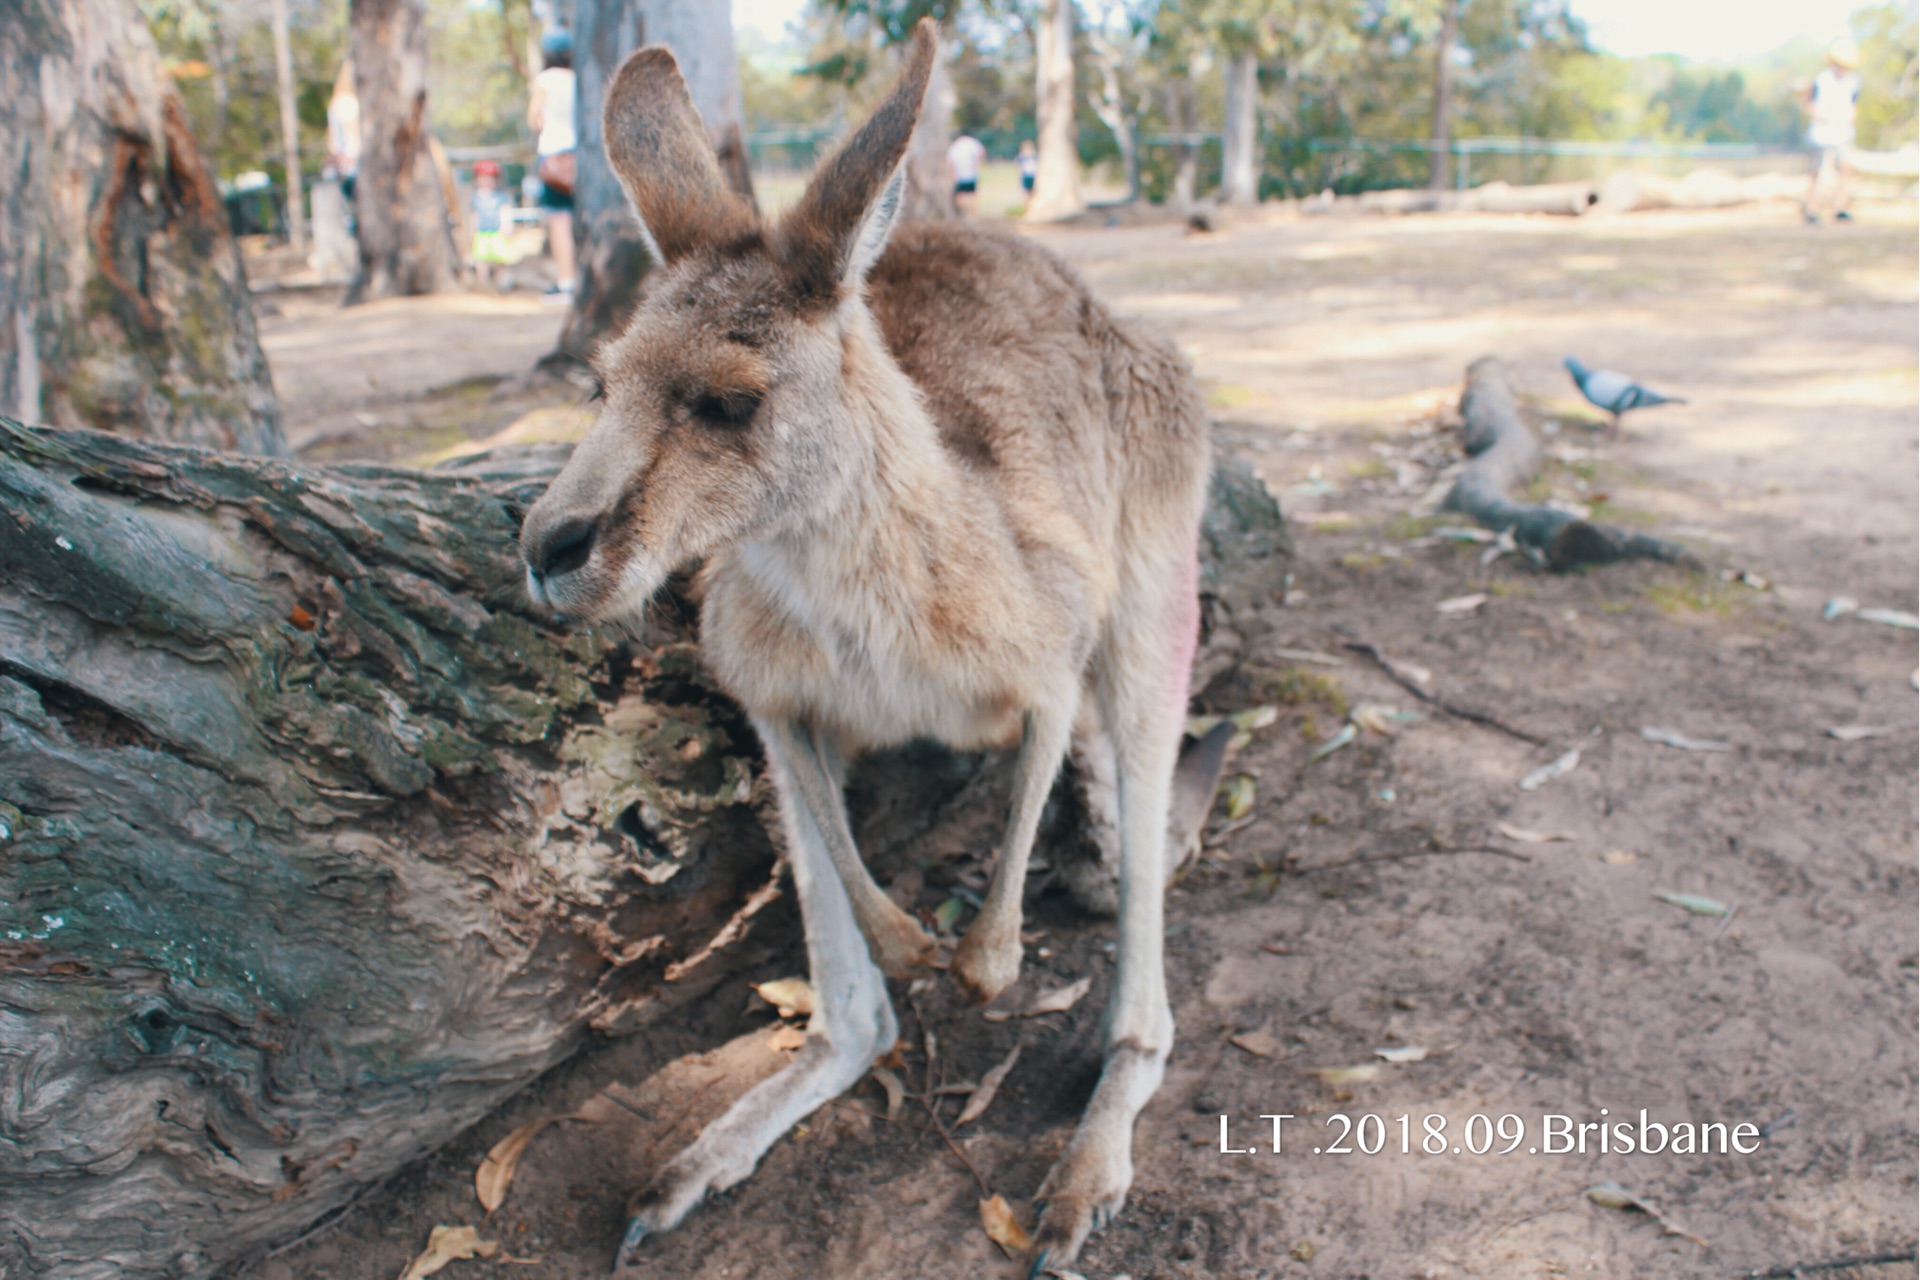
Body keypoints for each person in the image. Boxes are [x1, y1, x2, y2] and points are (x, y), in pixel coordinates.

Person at [528, 30, 577, 298]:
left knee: (560, 220)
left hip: (554, 157)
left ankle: (567, 281)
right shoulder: (581, 79)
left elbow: (533, 117)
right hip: (582, 156)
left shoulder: (544, 80)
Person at [1801, 37, 1862, 225]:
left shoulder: (1853, 82)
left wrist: (1852, 119)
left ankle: (1840, 208)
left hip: (1842, 130)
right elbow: (1808, 102)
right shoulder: (1821, 79)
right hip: (1821, 131)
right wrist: (1816, 115)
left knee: (1844, 168)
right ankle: (1812, 209)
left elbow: (1853, 104)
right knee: (1816, 170)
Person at [469, 160, 513, 287]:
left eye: (490, 178)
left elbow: (505, 212)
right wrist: (472, 232)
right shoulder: (475, 198)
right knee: (481, 260)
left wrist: (507, 227)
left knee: (501, 258)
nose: (486, 181)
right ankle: (483, 284)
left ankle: (498, 281)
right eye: (483, 177)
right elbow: (473, 216)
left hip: (497, 232)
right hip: (481, 233)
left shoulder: (500, 197)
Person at [325, 61, 361, 213]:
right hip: (354, 169)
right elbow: (355, 141)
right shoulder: (348, 102)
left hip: (341, 169)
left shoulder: (336, 101)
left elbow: (332, 143)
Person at [947, 132, 986, 216]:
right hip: (972, 174)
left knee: (959, 195)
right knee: (972, 195)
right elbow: (982, 152)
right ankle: (973, 214)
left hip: (959, 175)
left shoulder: (955, 146)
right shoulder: (973, 143)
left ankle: (961, 213)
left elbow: (950, 162)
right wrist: (978, 164)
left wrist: (952, 174)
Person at [1016, 139, 1037, 211]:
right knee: (1026, 194)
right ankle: (1026, 210)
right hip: (1025, 176)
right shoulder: (1021, 157)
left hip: (1033, 176)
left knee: (1032, 194)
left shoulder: (1034, 156)